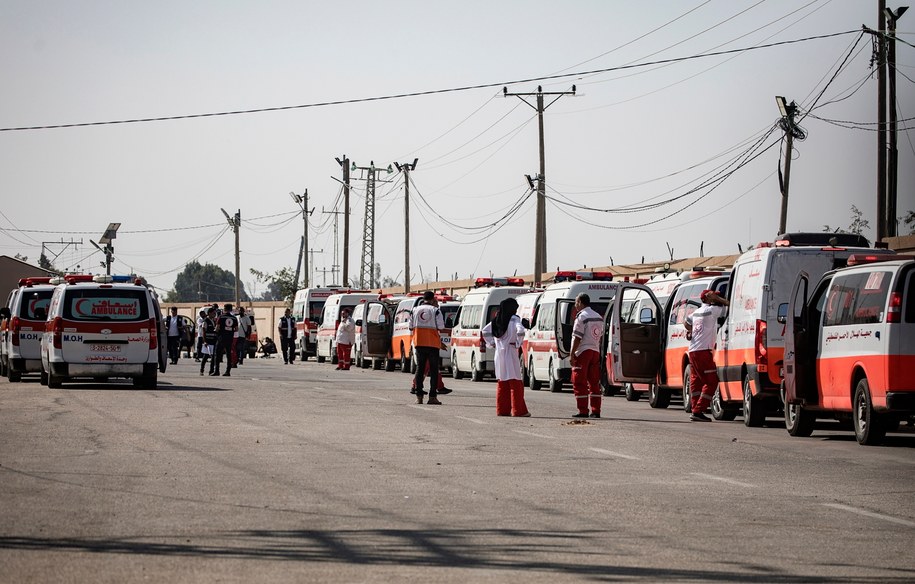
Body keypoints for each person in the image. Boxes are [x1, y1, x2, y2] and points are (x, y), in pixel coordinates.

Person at [684, 289, 729, 422]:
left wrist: (691, 331)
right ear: (708, 299)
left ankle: (694, 409)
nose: (716, 297)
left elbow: (686, 322)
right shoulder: (712, 310)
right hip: (703, 351)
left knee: (696, 381)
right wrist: (718, 299)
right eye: (713, 295)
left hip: (693, 351)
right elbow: (731, 305)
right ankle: (698, 410)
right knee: (712, 381)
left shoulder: (697, 312)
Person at [482, 297, 530, 417]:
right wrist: (518, 343)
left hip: (499, 354)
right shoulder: (514, 319)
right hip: (511, 352)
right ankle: (519, 410)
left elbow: (484, 331)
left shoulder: (496, 320)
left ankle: (502, 410)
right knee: (515, 382)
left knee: (502, 382)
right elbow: (520, 331)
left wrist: (492, 343)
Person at [569, 293, 604, 419]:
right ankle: (596, 410)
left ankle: (583, 410)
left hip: (583, 352)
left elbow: (577, 337)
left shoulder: (581, 317)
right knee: (594, 383)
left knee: (579, 382)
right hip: (595, 351)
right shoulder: (598, 317)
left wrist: (572, 354)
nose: (575, 305)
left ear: (580, 302)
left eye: (576, 302)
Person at [409, 291, 445, 405]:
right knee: (434, 371)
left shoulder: (414, 310)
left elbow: (410, 327)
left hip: (419, 342)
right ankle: (432, 397)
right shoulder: (436, 311)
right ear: (433, 299)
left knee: (420, 369)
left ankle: (419, 396)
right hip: (433, 344)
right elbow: (441, 326)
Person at [213, 303, 237, 377]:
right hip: (229, 338)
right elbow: (236, 329)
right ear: (230, 309)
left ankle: (217, 370)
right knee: (228, 355)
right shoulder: (234, 318)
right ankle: (228, 371)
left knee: (218, 354)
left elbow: (217, 328)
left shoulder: (221, 317)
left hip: (221, 337)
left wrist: (216, 332)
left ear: (225, 309)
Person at [199, 308, 218, 376]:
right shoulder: (205, 321)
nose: (214, 314)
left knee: (213, 357)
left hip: (213, 341)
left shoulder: (214, 321)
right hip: (207, 341)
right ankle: (202, 370)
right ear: (209, 313)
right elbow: (203, 331)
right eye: (213, 313)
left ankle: (211, 370)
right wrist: (204, 341)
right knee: (206, 356)